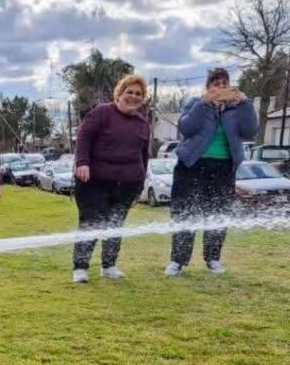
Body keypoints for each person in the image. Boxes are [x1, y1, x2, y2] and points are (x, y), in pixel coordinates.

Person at [165, 68, 258, 276]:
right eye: (216, 83)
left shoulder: (238, 108)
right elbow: (186, 128)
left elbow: (250, 131)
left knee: (218, 213)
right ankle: (178, 260)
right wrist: (204, 103)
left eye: (225, 83)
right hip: (191, 166)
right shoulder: (195, 103)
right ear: (208, 87)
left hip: (223, 167)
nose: (221, 87)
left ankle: (213, 258)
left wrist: (247, 104)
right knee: (184, 213)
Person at [71, 74, 150, 283]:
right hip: (94, 182)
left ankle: (109, 265)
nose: (133, 96)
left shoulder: (142, 124)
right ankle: (80, 268)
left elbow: (143, 156)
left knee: (115, 225)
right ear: (119, 93)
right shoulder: (101, 113)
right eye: (129, 92)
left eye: (138, 94)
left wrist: (140, 184)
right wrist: (82, 163)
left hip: (126, 184)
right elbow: (83, 137)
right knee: (90, 223)